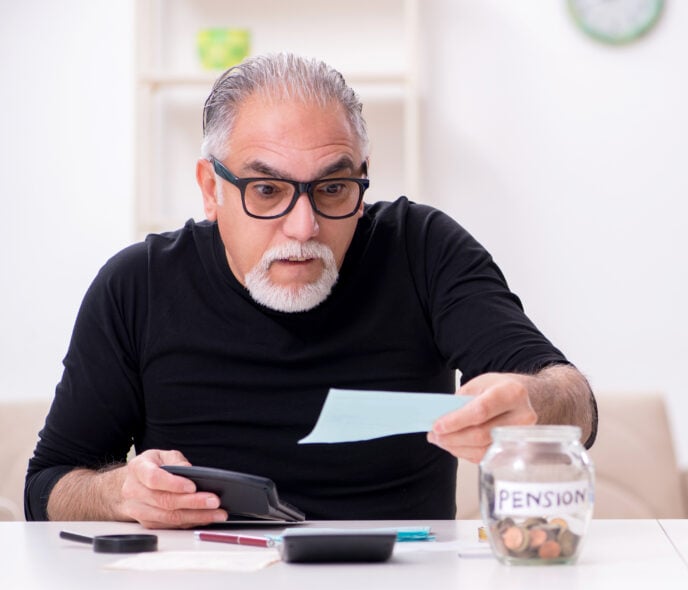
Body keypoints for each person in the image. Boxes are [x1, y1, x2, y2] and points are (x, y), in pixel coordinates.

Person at [25, 53, 596, 528]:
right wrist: (117, 493)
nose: (304, 227)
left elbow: (573, 400)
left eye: (333, 187)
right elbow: (46, 487)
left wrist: (535, 405)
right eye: (267, 190)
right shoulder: (138, 284)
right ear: (209, 188)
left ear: (363, 178)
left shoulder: (423, 249)